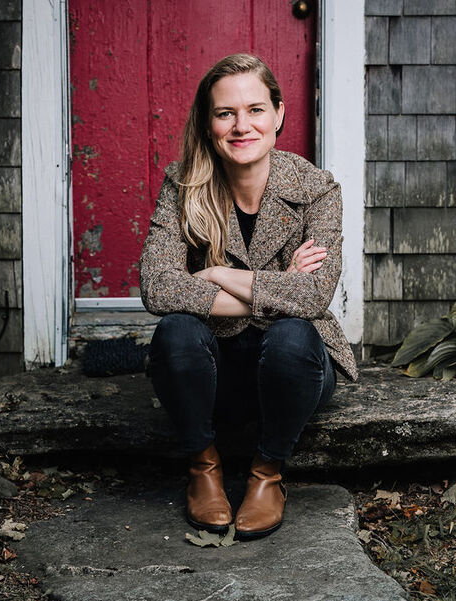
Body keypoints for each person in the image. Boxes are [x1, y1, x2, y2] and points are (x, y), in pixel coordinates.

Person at [139, 53, 358, 540]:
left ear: (279, 114)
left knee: (292, 334)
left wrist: (214, 273)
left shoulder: (316, 189)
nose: (242, 126)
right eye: (225, 113)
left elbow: (315, 297)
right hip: (215, 367)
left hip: (293, 367)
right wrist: (277, 287)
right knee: (175, 330)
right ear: (208, 121)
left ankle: (267, 473)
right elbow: (156, 284)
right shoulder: (183, 185)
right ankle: (203, 468)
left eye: (256, 110)